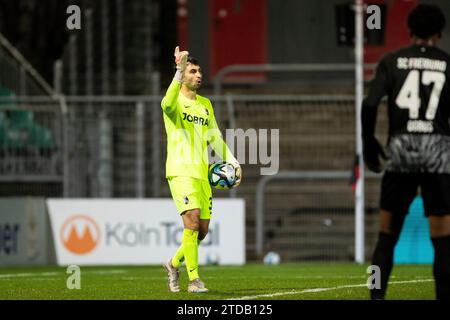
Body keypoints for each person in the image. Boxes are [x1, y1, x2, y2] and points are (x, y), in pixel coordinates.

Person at [362, 4, 450, 300]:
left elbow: (370, 103)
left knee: (386, 238)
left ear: (409, 30)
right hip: (437, 152)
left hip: (400, 151)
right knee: (443, 242)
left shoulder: (392, 61)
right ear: (439, 32)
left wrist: (369, 143)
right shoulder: (448, 63)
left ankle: (376, 297)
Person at [161, 46, 242, 293]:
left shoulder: (206, 104)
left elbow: (214, 138)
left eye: (200, 71)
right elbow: (165, 104)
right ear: (183, 75)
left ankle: (173, 264)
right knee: (192, 221)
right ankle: (194, 280)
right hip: (180, 171)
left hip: (202, 173)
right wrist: (177, 69)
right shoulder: (174, 102)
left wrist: (234, 162)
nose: (199, 75)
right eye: (193, 71)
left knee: (202, 231)